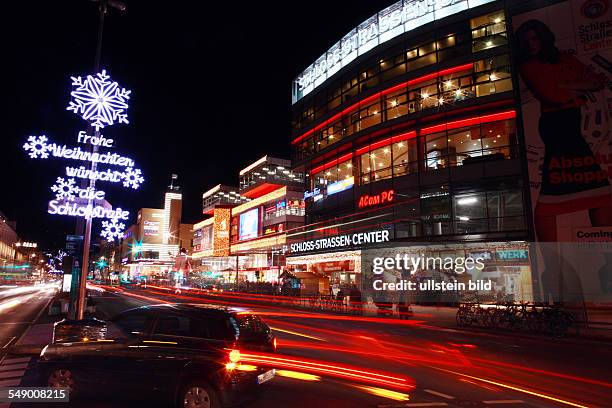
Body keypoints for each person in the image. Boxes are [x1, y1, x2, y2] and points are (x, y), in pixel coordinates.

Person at [515, 19, 612, 302]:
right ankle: (555, 269)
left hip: (574, 125)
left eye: (535, 38)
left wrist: (566, 86)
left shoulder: (565, 58)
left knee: (599, 192)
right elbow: (552, 95)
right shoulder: (528, 67)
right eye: (527, 41)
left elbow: (597, 81)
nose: (532, 44)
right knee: (552, 198)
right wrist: (574, 88)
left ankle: (604, 263)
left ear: (544, 37)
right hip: (556, 127)